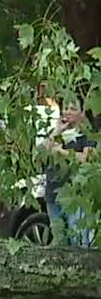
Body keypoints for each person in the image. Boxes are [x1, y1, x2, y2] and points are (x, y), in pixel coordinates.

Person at [41, 103, 96, 246]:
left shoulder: (86, 135)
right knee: (59, 241)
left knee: (77, 240)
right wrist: (57, 131)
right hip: (53, 194)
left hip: (75, 197)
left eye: (73, 108)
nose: (68, 112)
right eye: (65, 108)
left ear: (82, 113)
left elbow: (86, 159)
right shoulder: (56, 134)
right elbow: (41, 153)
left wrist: (60, 151)